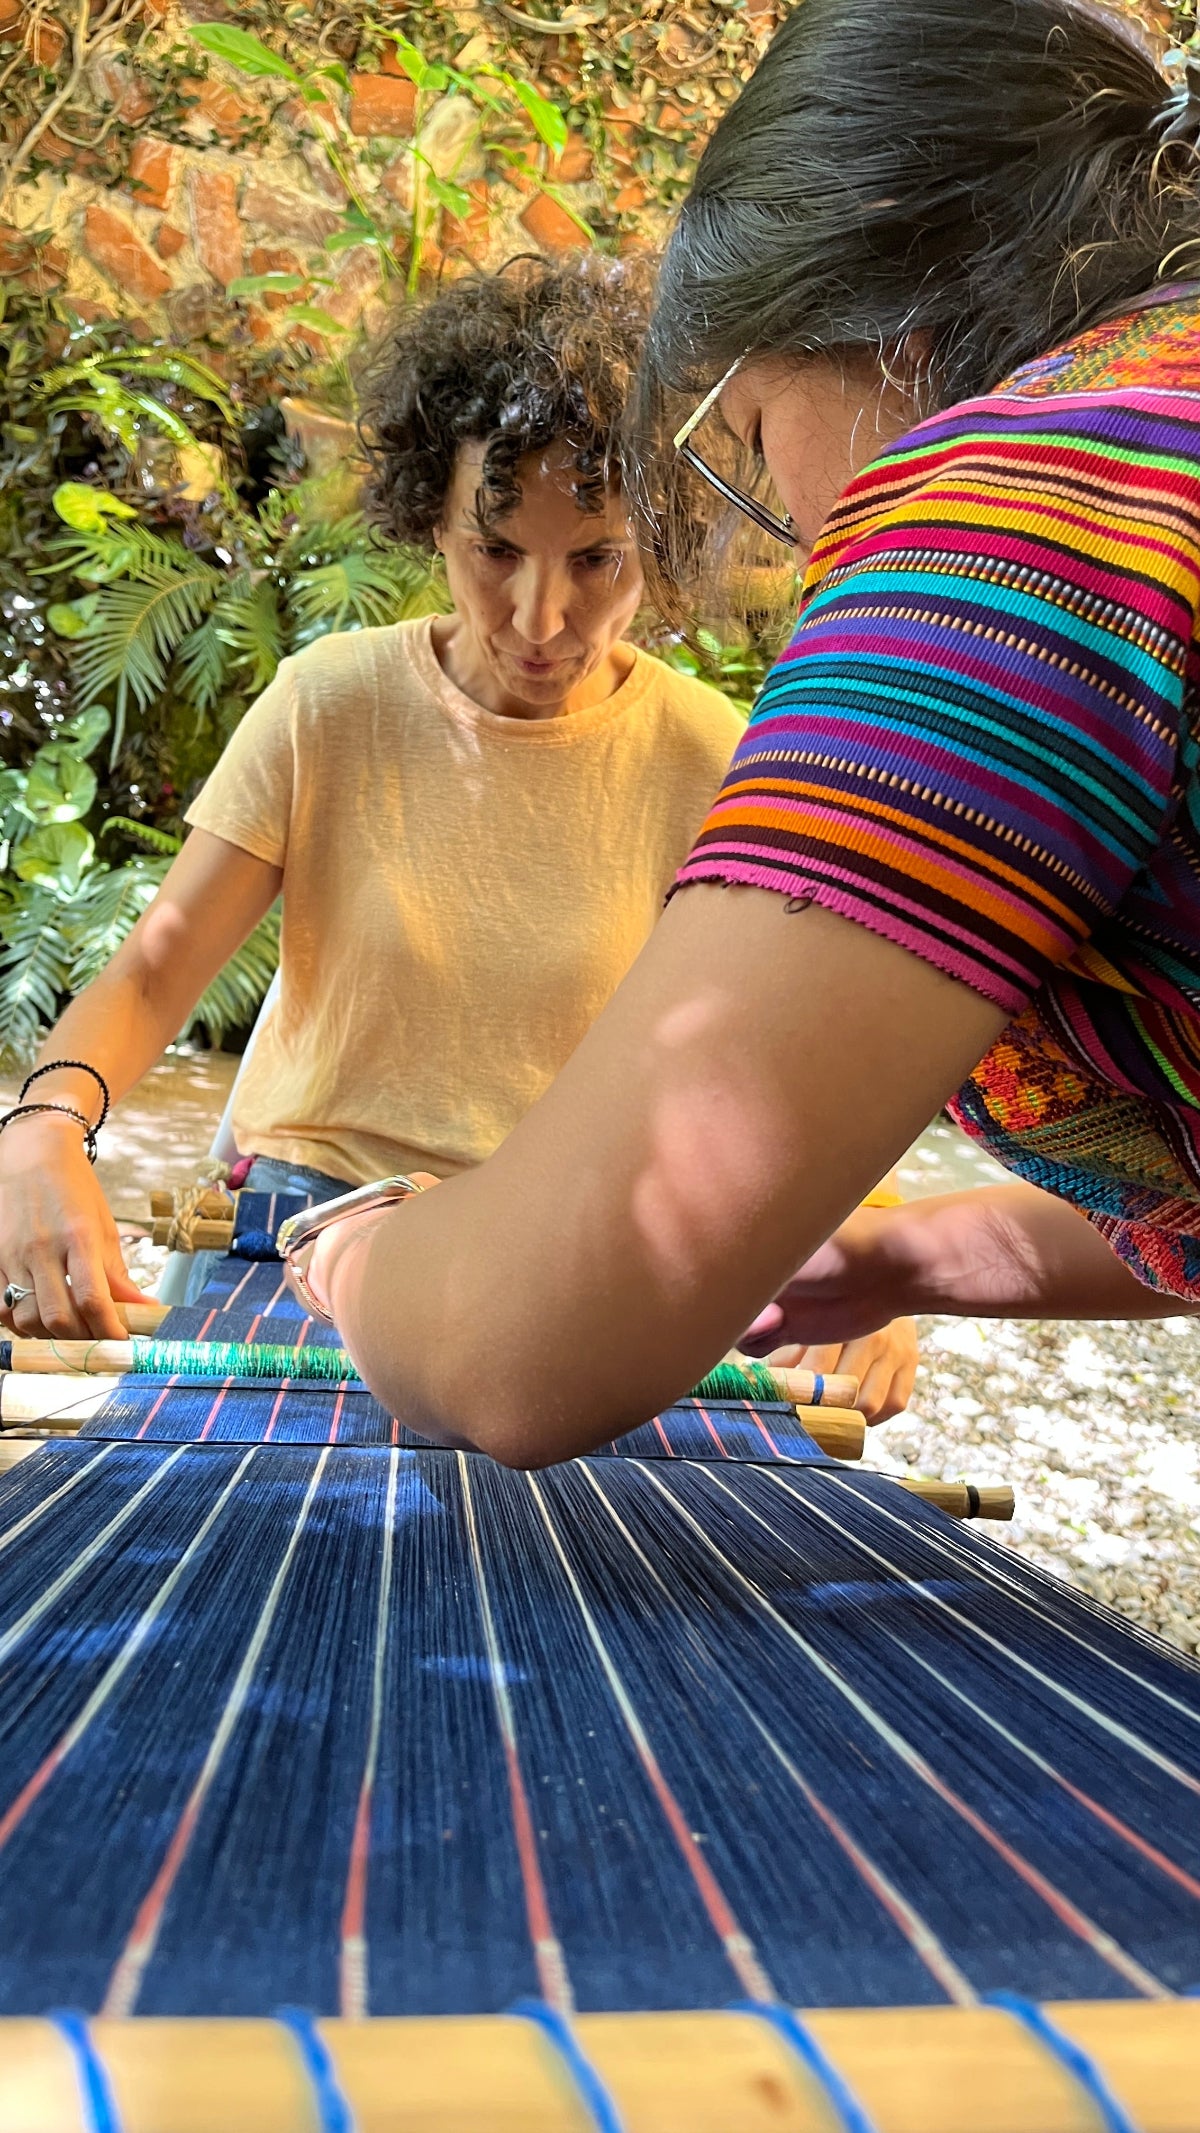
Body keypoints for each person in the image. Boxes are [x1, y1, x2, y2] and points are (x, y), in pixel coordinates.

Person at [282, 0, 1200, 1465]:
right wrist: (893, 1256)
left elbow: (519, 1347)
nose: (812, 536)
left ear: (874, 306)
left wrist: (351, 1253)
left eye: (755, 438)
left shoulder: (1026, 526)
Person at [0, 253, 919, 1420]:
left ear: (659, 542)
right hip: (298, 1234)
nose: (542, 617)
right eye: (497, 553)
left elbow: (792, 1052)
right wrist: (41, 1130)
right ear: (431, 520)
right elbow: (152, 973)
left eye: (597, 560)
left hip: (564, 1266)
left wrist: (873, 1259)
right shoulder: (329, 705)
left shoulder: (713, 759)